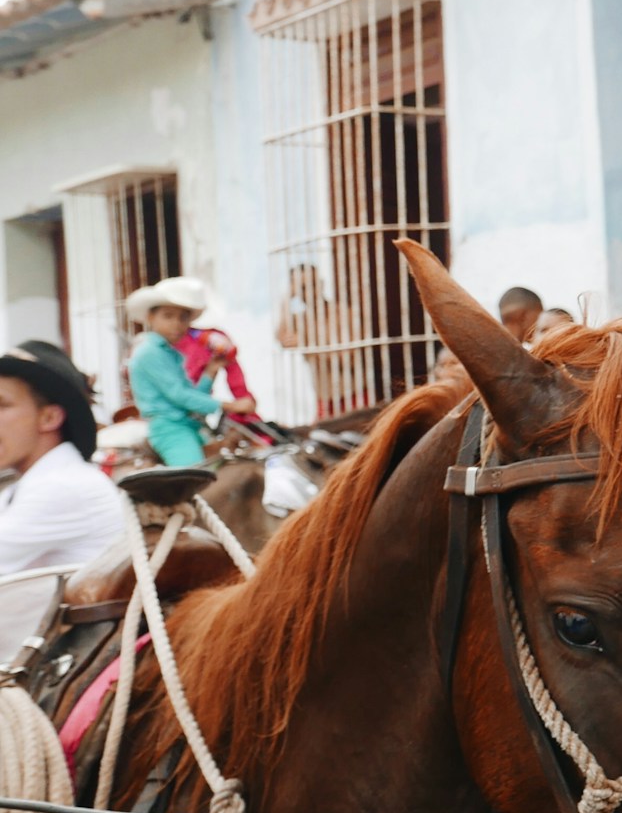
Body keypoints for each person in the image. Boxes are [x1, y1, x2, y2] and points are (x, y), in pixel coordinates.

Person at [0, 342, 124, 657]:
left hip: (60, 664)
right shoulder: (31, 483)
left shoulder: (62, 485)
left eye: (1, 405)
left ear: (50, 417)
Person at [126, 277, 255, 467]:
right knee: (196, 479)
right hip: (170, 429)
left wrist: (211, 371)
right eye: (168, 316)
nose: (177, 324)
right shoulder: (149, 353)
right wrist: (231, 406)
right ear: (151, 318)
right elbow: (179, 395)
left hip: (190, 425)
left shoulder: (170, 353)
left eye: (183, 317)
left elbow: (191, 396)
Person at [275, 263, 365, 417]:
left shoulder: (344, 313)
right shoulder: (301, 319)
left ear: (322, 284)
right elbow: (282, 338)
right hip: (323, 401)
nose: (310, 292)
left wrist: (307, 343)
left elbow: (345, 357)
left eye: (313, 284)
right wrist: (286, 300)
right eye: (303, 288)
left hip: (353, 397)